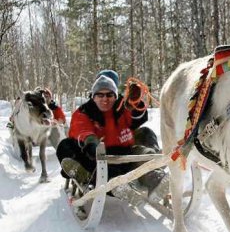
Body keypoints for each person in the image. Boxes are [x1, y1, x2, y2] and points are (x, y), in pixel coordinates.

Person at [56, 70, 166, 203]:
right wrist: (91, 141)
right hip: (99, 157)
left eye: (109, 95)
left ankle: (156, 179)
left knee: (143, 152)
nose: (105, 98)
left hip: (126, 155)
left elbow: (136, 118)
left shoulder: (122, 107)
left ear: (115, 96)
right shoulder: (85, 111)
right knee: (65, 146)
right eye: (100, 95)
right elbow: (80, 127)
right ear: (93, 96)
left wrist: (135, 103)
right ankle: (107, 182)